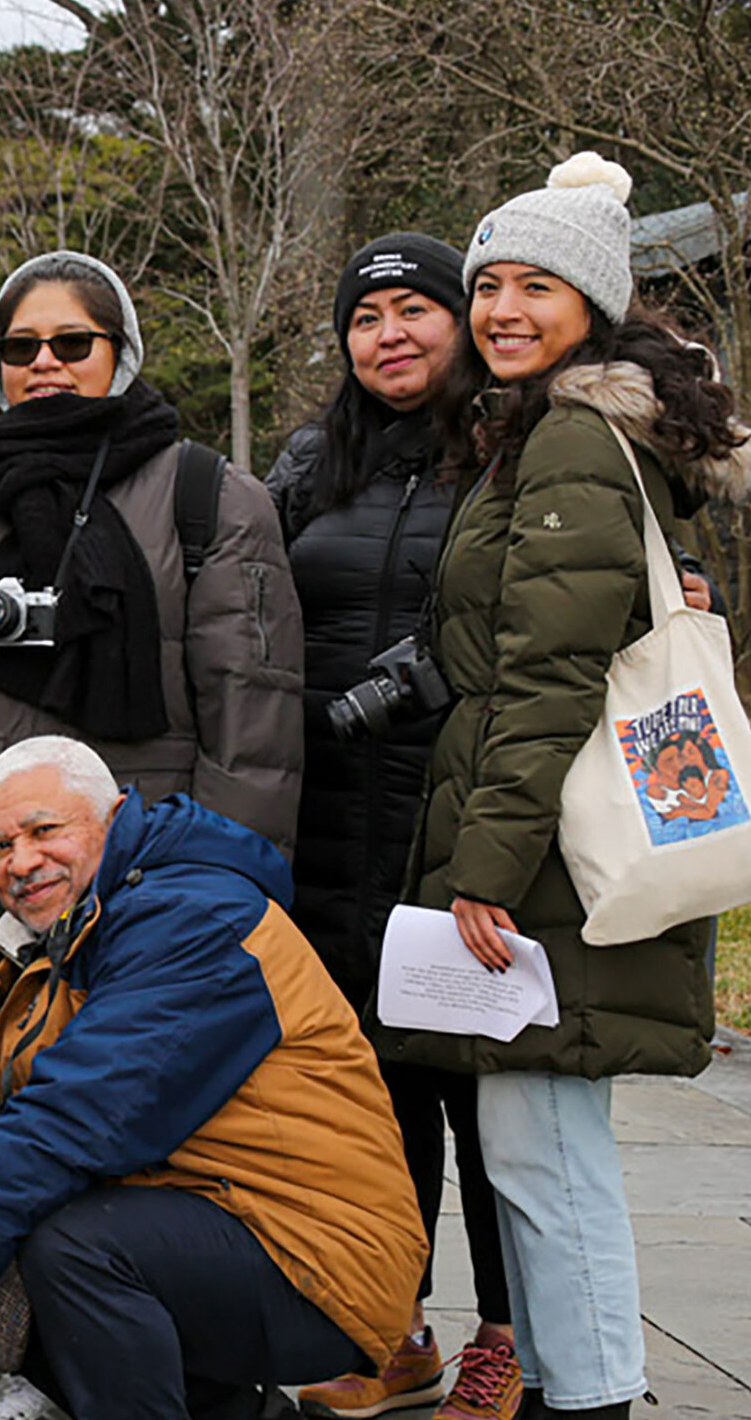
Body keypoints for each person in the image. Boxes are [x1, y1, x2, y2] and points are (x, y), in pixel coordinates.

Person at [381, 154, 751, 1420]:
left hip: (548, 853)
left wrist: (481, 870)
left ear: (593, 305)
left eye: (536, 285)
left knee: (546, 1153)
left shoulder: (575, 443)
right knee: (529, 1143)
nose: (500, 310)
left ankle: (587, 1396)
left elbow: (546, 675)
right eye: (487, 284)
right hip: (552, 839)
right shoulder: (551, 432)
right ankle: (560, 1382)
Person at [0, 249, 302, 1051]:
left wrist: (226, 881)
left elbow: (253, 720)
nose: (44, 363)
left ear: (121, 354)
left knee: (124, 1132)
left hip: (143, 881)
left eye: (73, 344)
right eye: (19, 347)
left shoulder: (208, 496)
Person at [0, 737, 424, 1420]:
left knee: (69, 1247)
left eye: (46, 830)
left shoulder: (193, 919)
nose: (21, 862)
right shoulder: (55, 936)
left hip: (319, 1258)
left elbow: (70, 1125)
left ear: (112, 816)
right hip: (206, 1215)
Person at [269, 234, 523, 1420]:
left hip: (458, 824)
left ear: (460, 323)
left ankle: (510, 1338)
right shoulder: (309, 463)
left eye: (414, 308)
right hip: (325, 828)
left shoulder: (515, 451)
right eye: (365, 316)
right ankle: (392, 1323)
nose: (390, 335)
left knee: (488, 1102)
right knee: (371, 1098)